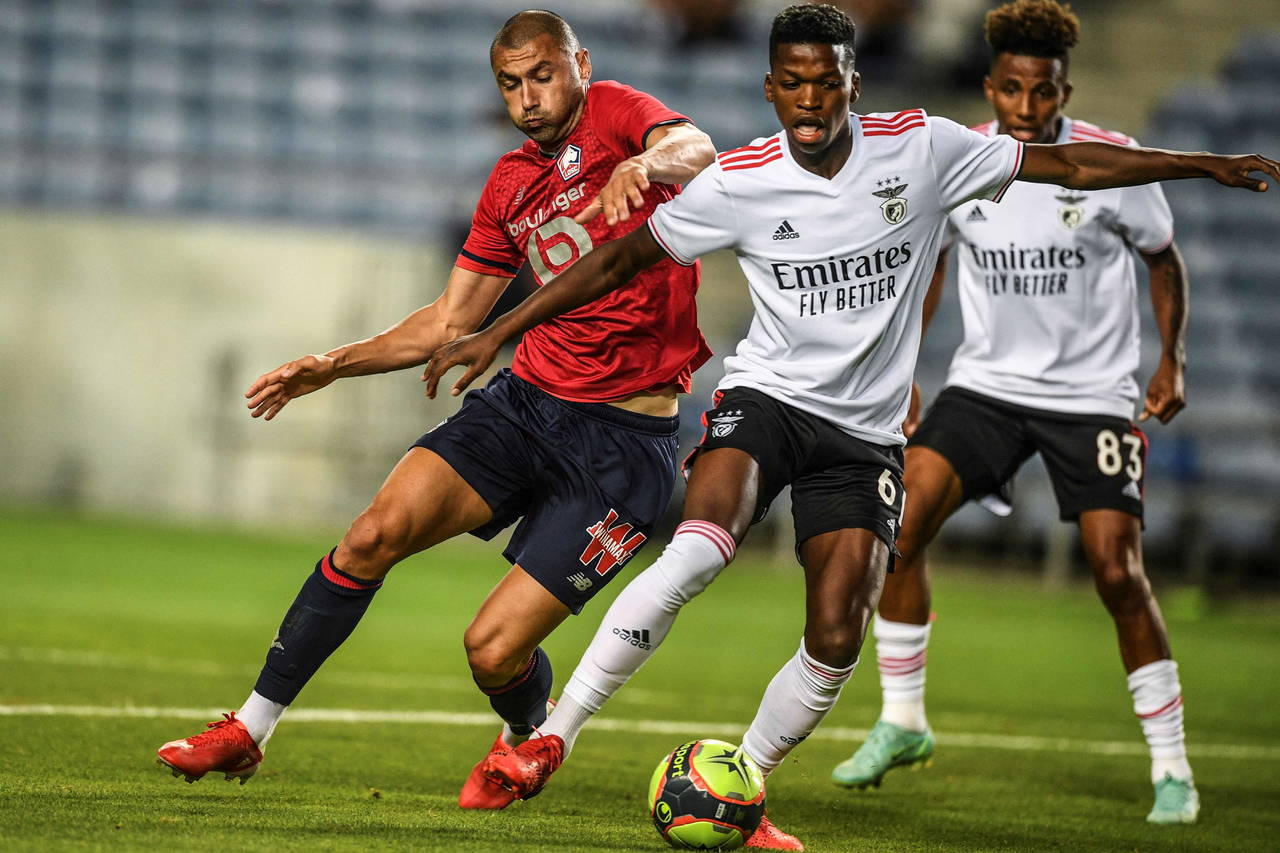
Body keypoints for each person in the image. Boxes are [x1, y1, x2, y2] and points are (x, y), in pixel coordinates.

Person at [424, 4, 1277, 848]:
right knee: (697, 549)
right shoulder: (740, 180)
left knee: (836, 639)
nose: (810, 99)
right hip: (767, 399)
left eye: (825, 82)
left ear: (852, 85)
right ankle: (552, 736)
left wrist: (1200, 165)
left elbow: (1072, 165)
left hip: (863, 432)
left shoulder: (924, 148)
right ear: (769, 88)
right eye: (792, 83)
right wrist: (503, 327)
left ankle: (743, 785)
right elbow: (619, 257)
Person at [154, 9, 716, 812]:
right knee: (370, 535)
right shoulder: (510, 183)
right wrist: (333, 364)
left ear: (581, 65)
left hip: (623, 445)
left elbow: (698, 146)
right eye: (511, 84)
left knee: (491, 651)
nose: (528, 97)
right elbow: (451, 320)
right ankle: (250, 726)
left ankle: (525, 731)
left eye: (543, 75)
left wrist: (648, 162)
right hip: (525, 406)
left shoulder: (619, 114)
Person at [830, 0, 1202, 825]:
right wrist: (903, 366)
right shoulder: (963, 160)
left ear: (1065, 88)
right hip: (987, 389)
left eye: (1044, 92)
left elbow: (1163, 258)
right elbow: (929, 265)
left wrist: (1172, 357)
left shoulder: (1111, 162)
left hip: (1090, 398)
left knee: (1117, 571)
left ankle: (1173, 767)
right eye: (1012, 90)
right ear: (990, 86)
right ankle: (903, 719)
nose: (1027, 107)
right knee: (899, 528)